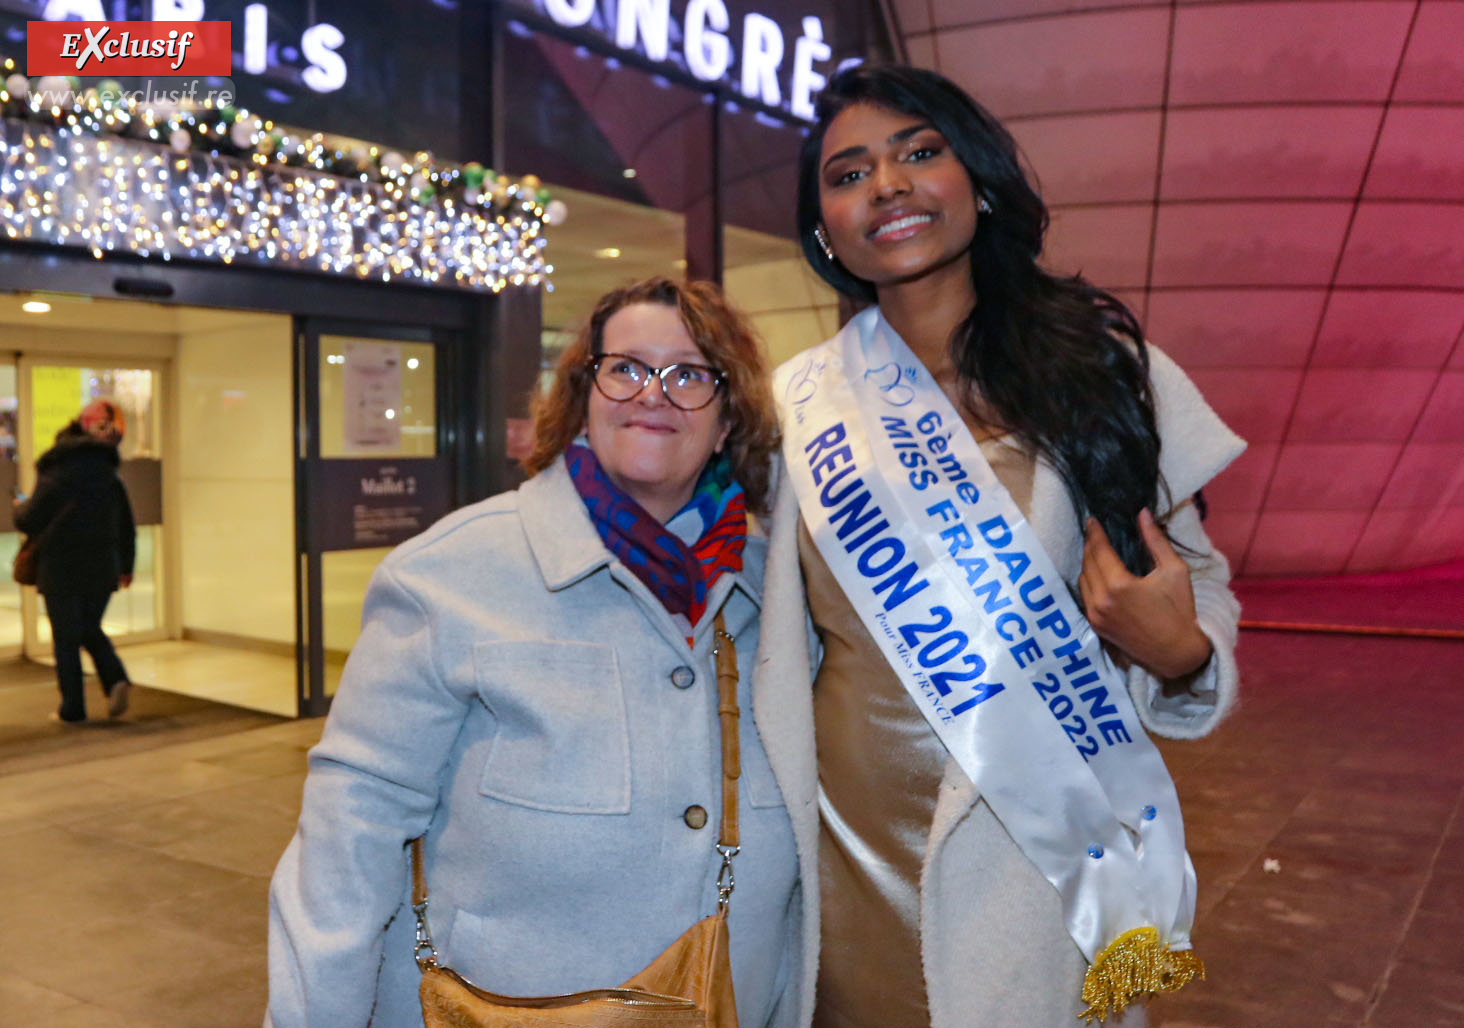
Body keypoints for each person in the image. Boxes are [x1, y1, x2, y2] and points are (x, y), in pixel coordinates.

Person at [758, 65, 1247, 1026]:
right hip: (846, 857)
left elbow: (1198, 590)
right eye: (849, 173)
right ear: (824, 229)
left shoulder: (1104, 375)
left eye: (920, 153)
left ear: (978, 181)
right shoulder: (799, 404)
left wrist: (1183, 656)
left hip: (1042, 863)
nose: (888, 185)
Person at [267, 278, 819, 1027]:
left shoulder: (781, 590)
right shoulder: (449, 574)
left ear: (727, 421)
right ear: (583, 394)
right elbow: (346, 841)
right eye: (626, 367)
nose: (653, 394)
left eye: (691, 375)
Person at [15, 399, 136, 723]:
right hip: (102, 565)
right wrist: (126, 565)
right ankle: (115, 679)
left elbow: (29, 519)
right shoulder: (111, 476)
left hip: (60, 566)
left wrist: (18, 506)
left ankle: (73, 708)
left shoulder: (56, 472)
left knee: (66, 638)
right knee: (89, 627)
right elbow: (126, 524)